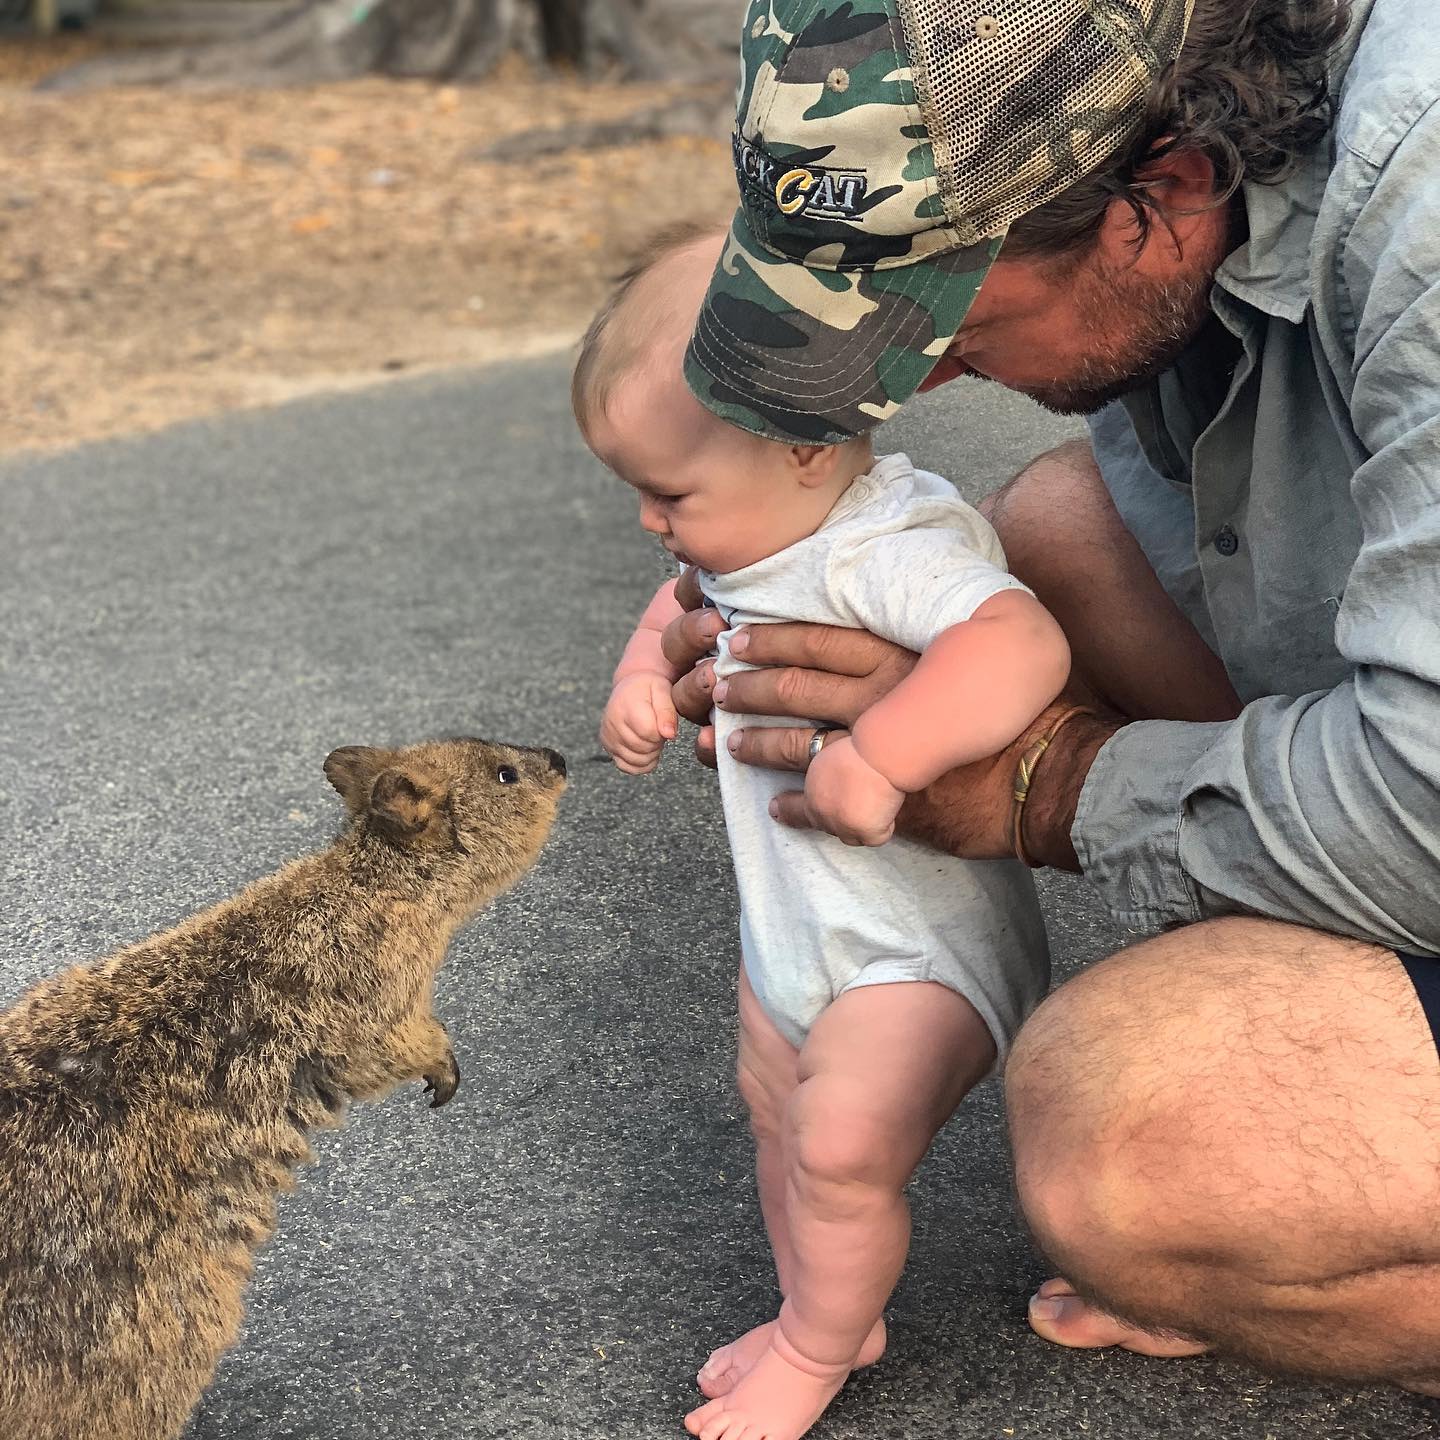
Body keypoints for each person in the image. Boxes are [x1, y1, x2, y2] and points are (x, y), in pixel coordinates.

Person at [661, 0, 1440, 1399]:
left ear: (1172, 186)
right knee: (1052, 537)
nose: (895, 387)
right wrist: (783, 584)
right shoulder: (1187, 156)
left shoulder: (1424, 194)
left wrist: (1043, 784)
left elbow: (1431, 808)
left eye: (934, 328)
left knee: (1128, 1147)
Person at [577, 226, 1073, 1440]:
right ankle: (831, 1310)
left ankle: (813, 1349)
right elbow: (680, 606)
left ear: (806, 447)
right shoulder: (745, 541)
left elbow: (1019, 644)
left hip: (918, 954)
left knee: (843, 1147)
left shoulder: (885, 548)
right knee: (780, 1120)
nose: (651, 522)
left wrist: (885, 757)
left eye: (670, 493)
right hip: (795, 936)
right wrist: (645, 673)